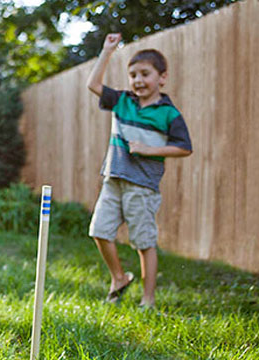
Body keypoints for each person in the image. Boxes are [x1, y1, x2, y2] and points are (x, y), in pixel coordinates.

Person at [86, 33, 192, 308]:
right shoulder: (123, 101)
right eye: (133, 75)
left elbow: (184, 148)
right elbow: (93, 84)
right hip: (113, 180)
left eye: (145, 74)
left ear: (162, 78)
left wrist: (149, 149)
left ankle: (148, 299)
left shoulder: (169, 114)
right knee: (99, 231)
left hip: (142, 187)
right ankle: (119, 278)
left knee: (144, 243)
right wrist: (107, 51)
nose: (138, 80)